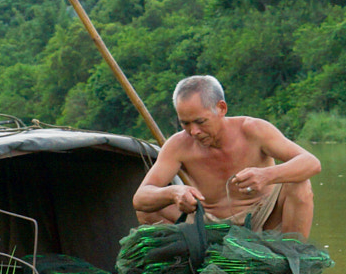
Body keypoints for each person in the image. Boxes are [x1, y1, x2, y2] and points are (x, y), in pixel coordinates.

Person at [133, 75, 321, 237]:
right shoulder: (178, 145)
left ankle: (291, 259)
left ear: (221, 108)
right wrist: (173, 193)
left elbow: (311, 163)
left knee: (299, 182)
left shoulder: (253, 130)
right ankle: (181, 260)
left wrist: (267, 175)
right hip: (207, 222)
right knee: (148, 209)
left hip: (262, 217)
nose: (194, 131)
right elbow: (140, 198)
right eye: (185, 124)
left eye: (200, 121)